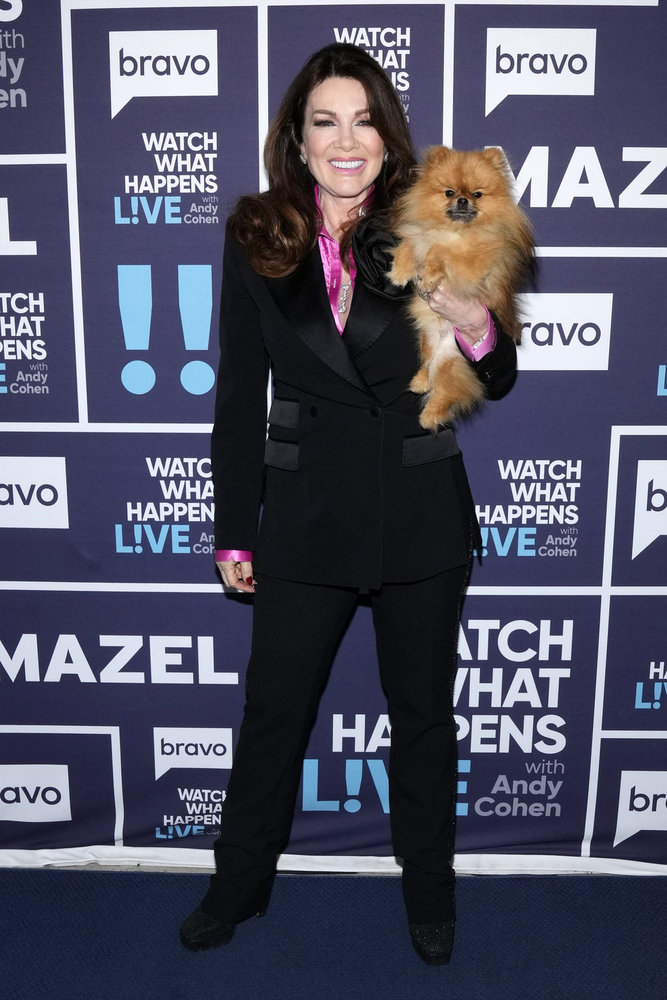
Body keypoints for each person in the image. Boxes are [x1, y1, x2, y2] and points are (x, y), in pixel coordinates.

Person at [179, 42, 516, 965]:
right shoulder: (256, 232)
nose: (345, 139)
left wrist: (474, 322)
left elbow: (500, 371)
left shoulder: (434, 220)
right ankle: (235, 888)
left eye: (363, 119)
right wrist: (233, 526)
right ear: (296, 136)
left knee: (422, 718)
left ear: (385, 133)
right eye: (324, 120)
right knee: (274, 714)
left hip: (417, 507)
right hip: (302, 513)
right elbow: (237, 389)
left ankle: (428, 898)